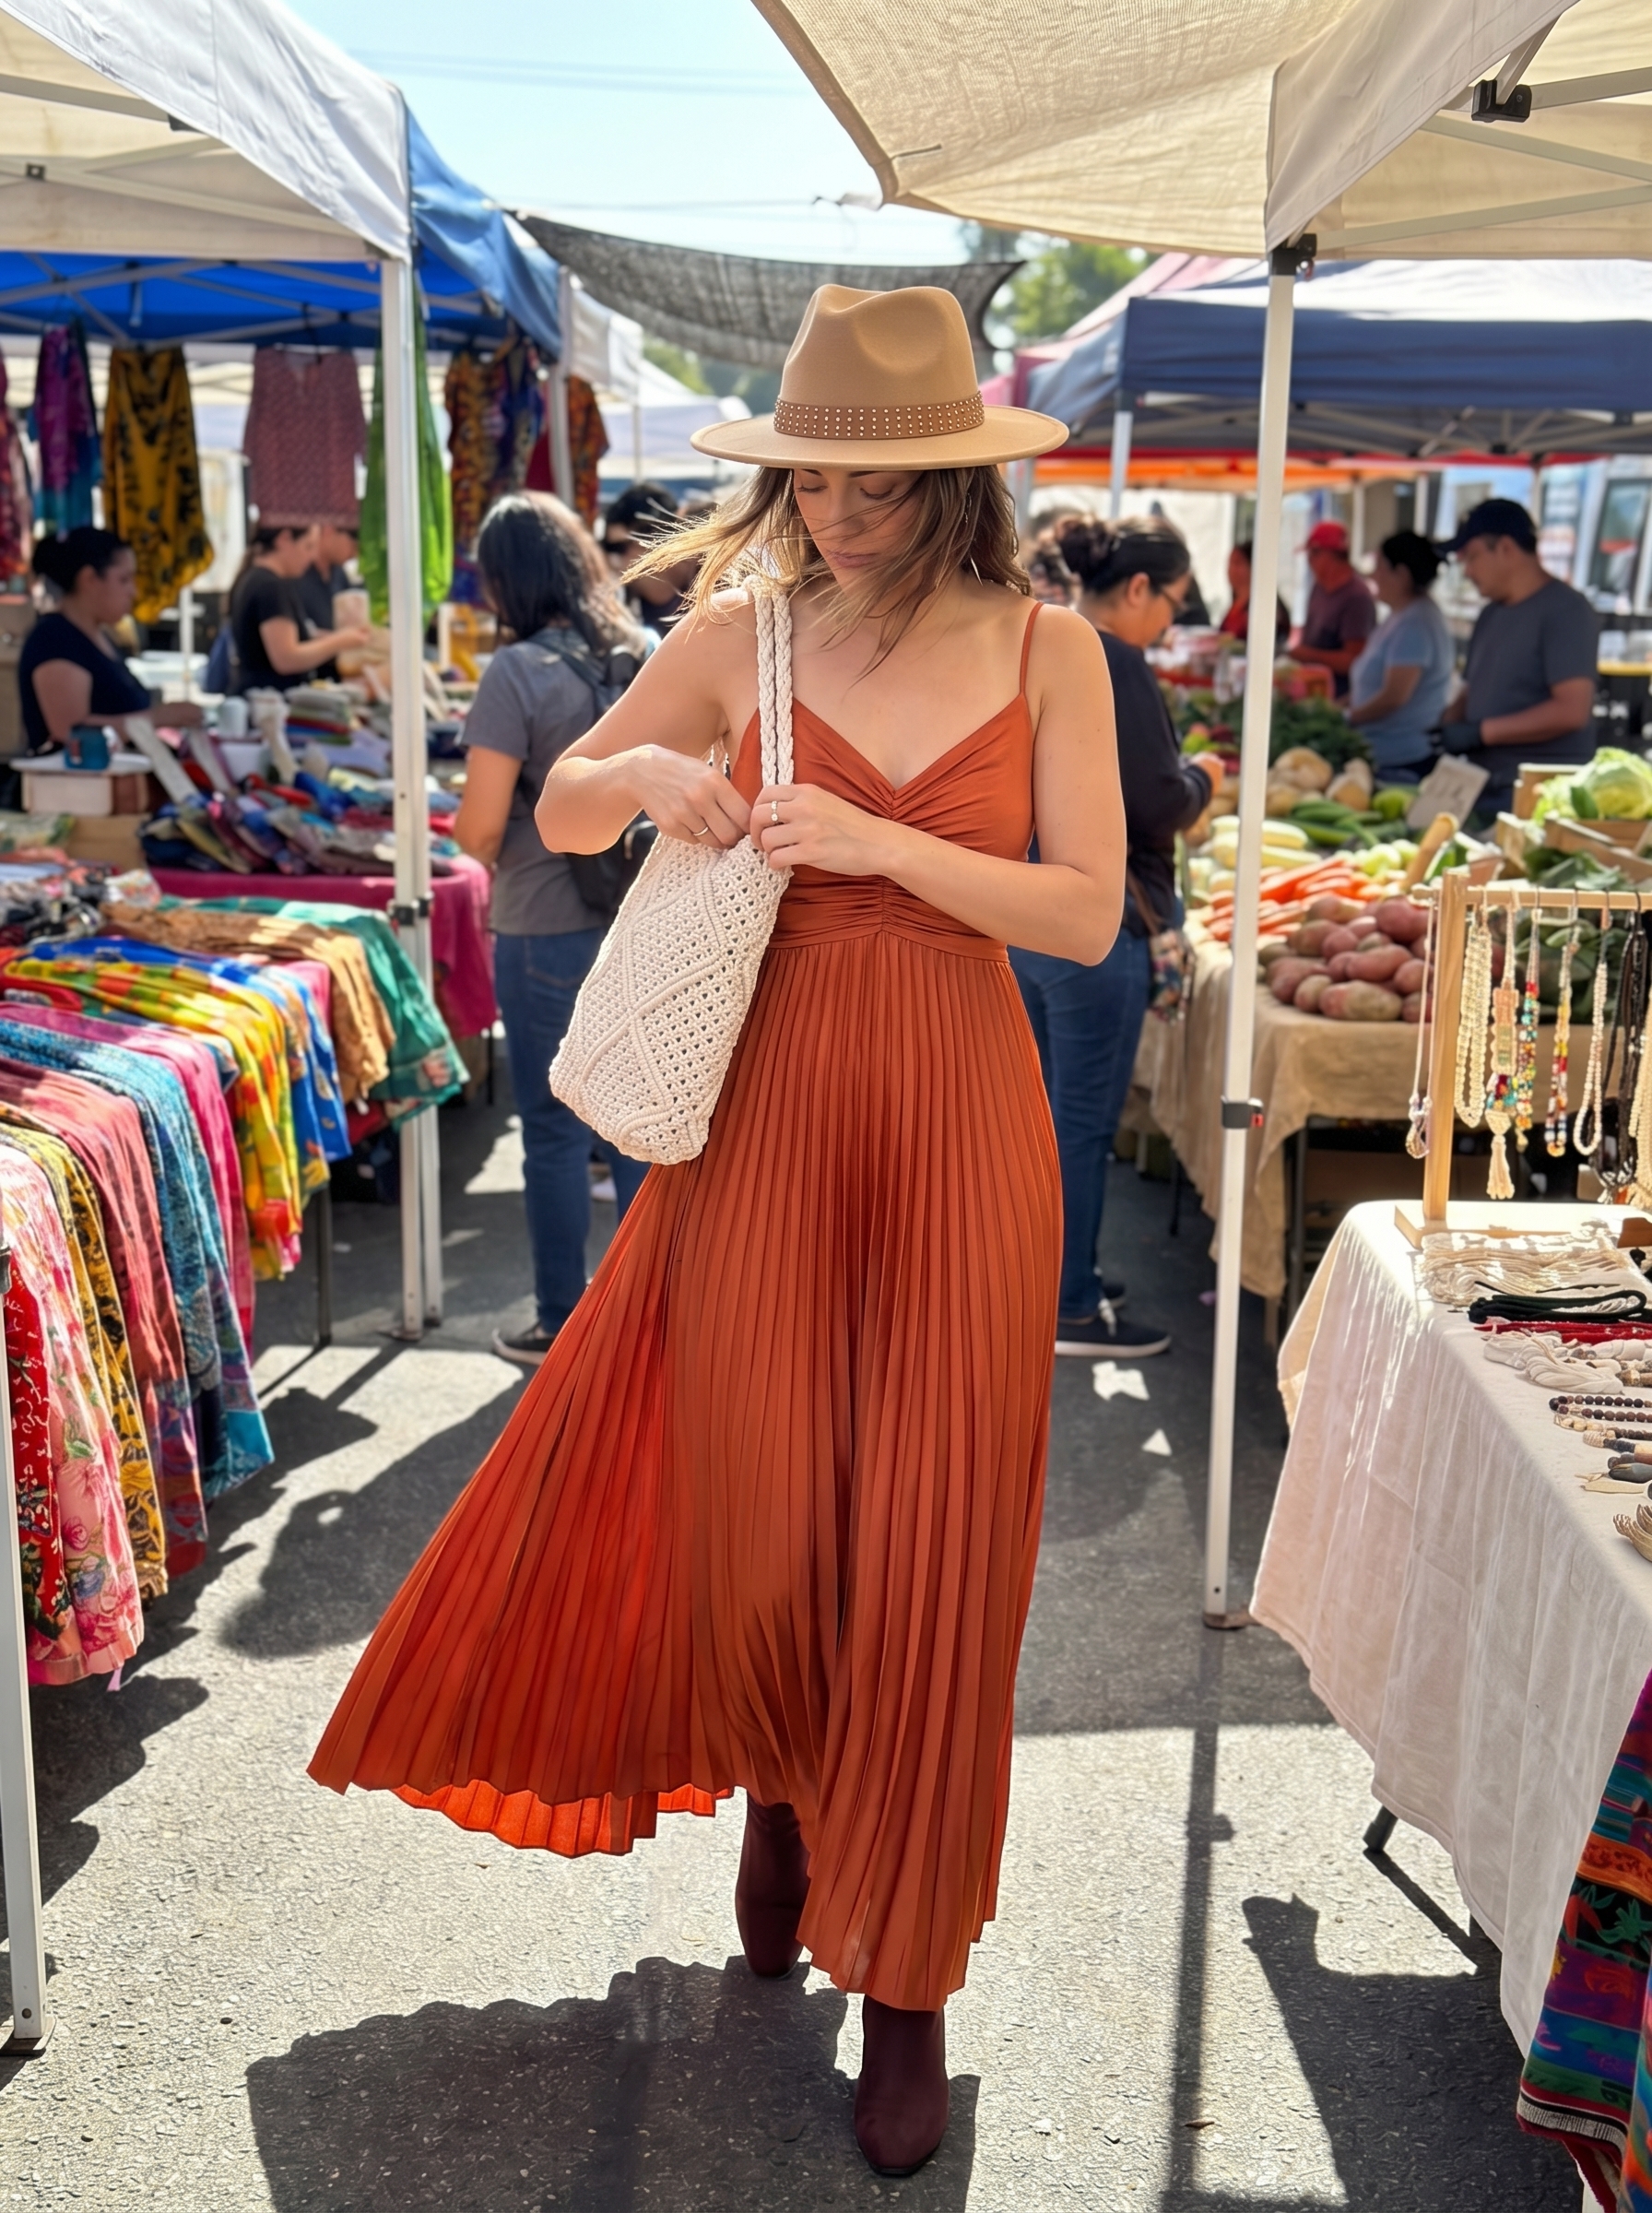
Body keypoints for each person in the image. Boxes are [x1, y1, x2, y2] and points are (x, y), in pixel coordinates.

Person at [310, 283, 1116, 2180]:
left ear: (951, 482)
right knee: (756, 1499)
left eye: (873, 481)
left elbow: (1084, 915)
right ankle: (783, 1777)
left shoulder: (1050, 651)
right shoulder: (735, 630)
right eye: (809, 475)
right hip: (751, 1121)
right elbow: (570, 805)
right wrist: (644, 774)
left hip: (955, 1117)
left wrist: (882, 845)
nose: (834, 508)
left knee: (935, 1524)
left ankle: (905, 1969)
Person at [450, 491, 652, 1367]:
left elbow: (481, 828)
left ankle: (562, 1321)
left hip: (542, 919)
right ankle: (654, 1313)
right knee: (642, 1121)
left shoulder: (517, 673)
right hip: (642, 915)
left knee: (555, 1131)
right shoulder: (642, 652)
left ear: (507, 581)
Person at [1011, 515, 1217, 1359]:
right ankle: (1068, 1302)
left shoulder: (1037, 641)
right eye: (1171, 602)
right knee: (1080, 1125)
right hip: (1092, 923)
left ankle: (1054, 1279)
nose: (1169, 620)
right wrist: (1207, 778)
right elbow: (1156, 800)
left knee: (1043, 1120)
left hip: (1026, 910)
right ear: (1138, 589)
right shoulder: (1109, 657)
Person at [1437, 496, 1599, 820]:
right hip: (1482, 784)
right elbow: (1472, 688)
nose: (1467, 572)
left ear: (1506, 549)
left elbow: (1571, 710)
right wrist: (1446, 725)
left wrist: (1481, 732)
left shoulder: (1566, 610)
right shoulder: (1489, 615)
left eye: (1471, 557)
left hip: (1540, 799)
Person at [18, 527, 205, 754]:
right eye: (124, 580)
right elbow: (68, 732)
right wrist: (155, 718)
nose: (133, 592)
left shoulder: (98, 636)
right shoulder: (55, 640)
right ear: (89, 579)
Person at [1344, 531, 1455, 782]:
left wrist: (1349, 718)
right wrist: (1341, 704)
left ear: (1402, 575)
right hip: (1382, 754)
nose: (1373, 576)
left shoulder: (1415, 623)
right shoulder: (1401, 615)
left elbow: (1394, 696)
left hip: (1401, 761)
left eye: (1380, 567)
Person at [229, 522, 370, 694]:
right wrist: (340, 641)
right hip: (269, 704)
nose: (312, 556)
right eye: (308, 546)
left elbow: (293, 638)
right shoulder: (270, 587)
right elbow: (286, 657)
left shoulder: (256, 579)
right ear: (284, 539)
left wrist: (331, 638)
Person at [1292, 519, 1375, 696]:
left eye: (1313, 554)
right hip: (1311, 690)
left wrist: (1308, 656)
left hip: (1340, 698)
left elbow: (1354, 660)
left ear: (1330, 555)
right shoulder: (1319, 587)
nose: (1309, 561)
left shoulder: (1357, 597)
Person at [602, 479, 696, 633]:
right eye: (610, 547)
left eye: (621, 547)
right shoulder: (620, 610)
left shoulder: (711, 597)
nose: (615, 559)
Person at [1218, 538, 1290, 647]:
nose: (1230, 570)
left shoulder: (1269, 607)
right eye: (1230, 564)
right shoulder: (1236, 603)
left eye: (1237, 563)